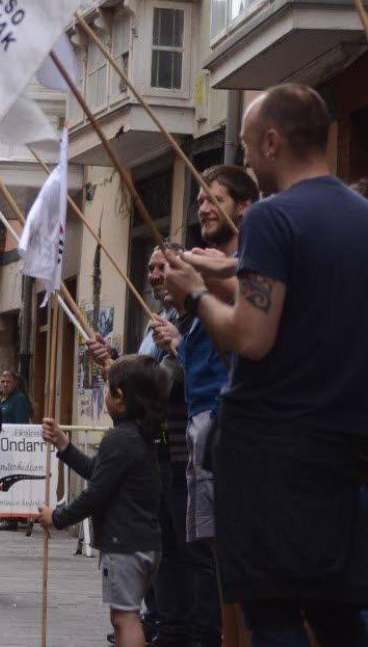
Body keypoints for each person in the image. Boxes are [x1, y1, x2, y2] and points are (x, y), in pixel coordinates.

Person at [164, 84, 368, 644]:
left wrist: (192, 294)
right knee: (336, 612)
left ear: (274, 141)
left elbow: (251, 337)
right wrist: (232, 271)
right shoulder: (360, 215)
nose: (248, 160)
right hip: (343, 445)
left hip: (271, 447)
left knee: (272, 611)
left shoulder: (272, 218)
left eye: (250, 146)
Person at [92, 246, 221, 647]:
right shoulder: (158, 324)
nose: (156, 275)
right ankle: (165, 623)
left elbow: (181, 379)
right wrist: (114, 364)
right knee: (164, 546)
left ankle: (199, 632)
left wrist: (176, 346)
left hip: (188, 451)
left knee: (192, 551)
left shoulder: (200, 322)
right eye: (150, 268)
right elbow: (143, 387)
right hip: (159, 451)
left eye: (163, 267)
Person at [153, 165, 257, 647]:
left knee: (238, 559)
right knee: (216, 557)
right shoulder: (211, 273)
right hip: (203, 433)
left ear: (244, 206)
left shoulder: (246, 267)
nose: (203, 207)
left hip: (234, 426)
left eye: (215, 198)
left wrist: (201, 290)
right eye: (199, 199)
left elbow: (250, 328)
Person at [38, 355, 167, 647]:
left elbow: (95, 493)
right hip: (145, 543)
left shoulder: (119, 439)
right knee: (122, 615)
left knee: (126, 617)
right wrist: (64, 445)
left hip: (125, 546)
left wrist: (57, 517)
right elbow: (100, 472)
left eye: (107, 390)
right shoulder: (142, 435)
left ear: (119, 397)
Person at [0, 370, 31, 533]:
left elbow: (21, 426)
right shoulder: (3, 399)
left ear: (15, 383)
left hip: (13, 449)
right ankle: (6, 515)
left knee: (10, 484)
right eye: (2, 381)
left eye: (8, 381)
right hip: (2, 448)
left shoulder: (19, 400)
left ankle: (11, 518)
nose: (5, 384)